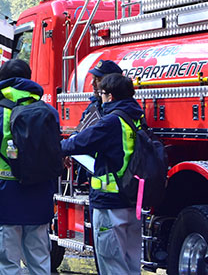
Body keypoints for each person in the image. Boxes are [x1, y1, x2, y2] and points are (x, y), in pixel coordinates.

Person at [0, 59, 56, 275]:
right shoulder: (48, 112)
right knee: (39, 262)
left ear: (1, 82)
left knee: (9, 264)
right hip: (39, 198)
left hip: (4, 200)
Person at [61, 73, 144, 275]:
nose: (101, 98)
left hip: (110, 203)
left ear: (111, 97)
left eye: (102, 94)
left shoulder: (111, 122)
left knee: (112, 264)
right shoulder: (138, 118)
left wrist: (58, 147)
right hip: (134, 201)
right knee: (131, 264)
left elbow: (78, 142)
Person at [77, 59, 122, 132]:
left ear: (112, 82)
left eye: (98, 80)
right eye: (93, 78)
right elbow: (80, 130)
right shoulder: (95, 105)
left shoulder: (120, 109)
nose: (92, 83)